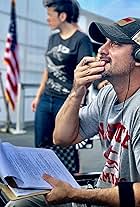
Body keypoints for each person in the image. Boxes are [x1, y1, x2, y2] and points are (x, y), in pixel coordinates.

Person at [8, 16, 140, 207]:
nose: (102, 50)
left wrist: (75, 194)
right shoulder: (107, 95)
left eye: (115, 44)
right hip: (99, 193)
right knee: (19, 202)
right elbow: (61, 137)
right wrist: (77, 90)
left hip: (113, 200)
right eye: (105, 42)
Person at [31, 0, 93, 174]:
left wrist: (79, 102)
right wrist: (38, 96)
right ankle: (41, 177)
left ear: (62, 16)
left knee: (65, 144)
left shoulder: (81, 40)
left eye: (50, 15)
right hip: (46, 98)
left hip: (65, 101)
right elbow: (48, 69)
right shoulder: (53, 38)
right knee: (41, 143)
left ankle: (70, 181)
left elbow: (85, 72)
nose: (47, 19)